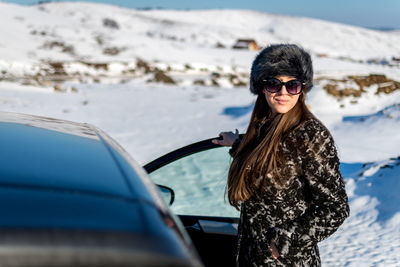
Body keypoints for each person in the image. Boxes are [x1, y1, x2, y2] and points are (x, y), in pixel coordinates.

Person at [212, 44, 349, 266]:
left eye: (292, 85)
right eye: (274, 84)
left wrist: (285, 240)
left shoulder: (311, 136)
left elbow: (335, 208)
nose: (283, 92)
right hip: (252, 256)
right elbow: (269, 164)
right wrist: (238, 144)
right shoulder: (265, 127)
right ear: (262, 88)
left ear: (302, 90)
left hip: (286, 260)